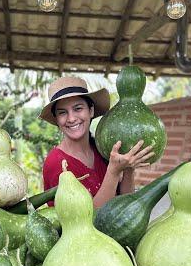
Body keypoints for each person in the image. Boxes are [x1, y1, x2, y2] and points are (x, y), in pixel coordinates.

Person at [39, 76, 154, 208]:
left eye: (78, 108)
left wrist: (128, 169)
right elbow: (87, 220)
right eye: (62, 113)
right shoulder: (56, 163)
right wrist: (113, 171)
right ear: (56, 120)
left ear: (91, 110)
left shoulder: (102, 149)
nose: (71, 119)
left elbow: (125, 205)